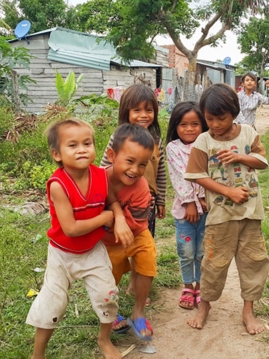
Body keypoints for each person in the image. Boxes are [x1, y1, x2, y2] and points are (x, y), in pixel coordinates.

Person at [26, 118, 132, 359]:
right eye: (72, 145)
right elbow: (71, 228)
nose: (82, 149)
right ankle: (37, 354)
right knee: (53, 303)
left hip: (93, 250)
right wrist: (105, 217)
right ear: (57, 154)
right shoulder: (58, 185)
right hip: (62, 254)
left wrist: (120, 218)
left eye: (87, 143)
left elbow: (112, 201)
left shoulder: (101, 175)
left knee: (108, 296)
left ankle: (104, 340)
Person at [184, 83, 269, 335]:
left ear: (233, 113)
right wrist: (228, 191)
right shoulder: (204, 140)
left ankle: (248, 311)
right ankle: (204, 307)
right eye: (209, 119)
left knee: (254, 261)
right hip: (221, 216)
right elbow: (197, 175)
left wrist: (241, 157)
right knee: (213, 263)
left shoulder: (248, 133)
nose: (215, 124)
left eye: (220, 118)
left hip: (251, 213)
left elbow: (263, 162)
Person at [101, 84, 166, 308]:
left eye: (149, 110)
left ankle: (136, 284)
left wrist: (161, 199)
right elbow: (103, 173)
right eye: (136, 110)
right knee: (120, 245)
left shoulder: (156, 140)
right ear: (126, 112)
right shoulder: (118, 139)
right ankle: (114, 284)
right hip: (118, 203)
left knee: (141, 245)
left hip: (145, 206)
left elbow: (161, 172)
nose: (143, 115)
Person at [103, 123, 157, 341]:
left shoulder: (142, 187)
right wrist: (114, 217)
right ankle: (110, 314)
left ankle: (138, 311)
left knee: (147, 262)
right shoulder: (98, 179)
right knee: (107, 279)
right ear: (111, 155)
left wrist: (116, 217)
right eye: (129, 161)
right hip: (107, 241)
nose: (135, 170)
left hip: (137, 234)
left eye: (142, 164)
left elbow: (135, 225)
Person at [166, 101, 209, 310]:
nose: (189, 129)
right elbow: (181, 177)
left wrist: (203, 198)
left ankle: (200, 286)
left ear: (203, 125)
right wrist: (191, 202)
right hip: (184, 211)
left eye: (195, 124)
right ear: (175, 126)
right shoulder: (173, 148)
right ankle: (187, 286)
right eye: (183, 124)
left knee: (203, 251)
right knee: (186, 251)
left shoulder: (208, 144)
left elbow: (208, 173)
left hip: (208, 209)